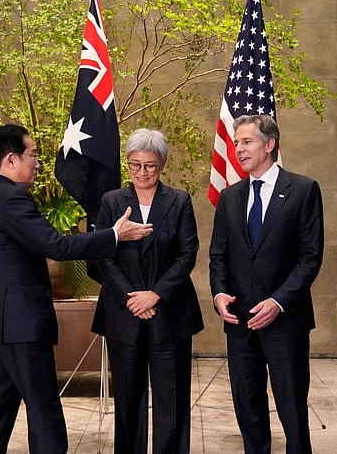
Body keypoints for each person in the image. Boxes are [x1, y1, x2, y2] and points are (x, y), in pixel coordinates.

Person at [0, 123, 153, 454]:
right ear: (11, 159)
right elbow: (58, 246)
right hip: (21, 329)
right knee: (46, 417)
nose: (38, 163)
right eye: (33, 154)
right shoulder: (12, 200)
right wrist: (113, 235)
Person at [209, 114, 324, 454]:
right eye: (236, 142)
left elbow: (310, 258)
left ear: (269, 144)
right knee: (249, 410)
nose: (238, 149)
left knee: (292, 410)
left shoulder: (303, 190)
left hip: (285, 322)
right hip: (241, 325)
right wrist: (219, 293)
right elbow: (219, 255)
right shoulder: (230, 197)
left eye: (246, 142)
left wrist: (277, 303)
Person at [92, 129, 204, 453]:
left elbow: (187, 253)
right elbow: (101, 254)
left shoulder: (179, 201)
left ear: (163, 164)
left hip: (169, 315)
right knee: (128, 400)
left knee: (172, 400)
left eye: (150, 166)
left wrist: (154, 295)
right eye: (135, 165)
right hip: (123, 315)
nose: (142, 173)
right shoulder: (111, 201)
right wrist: (132, 298)